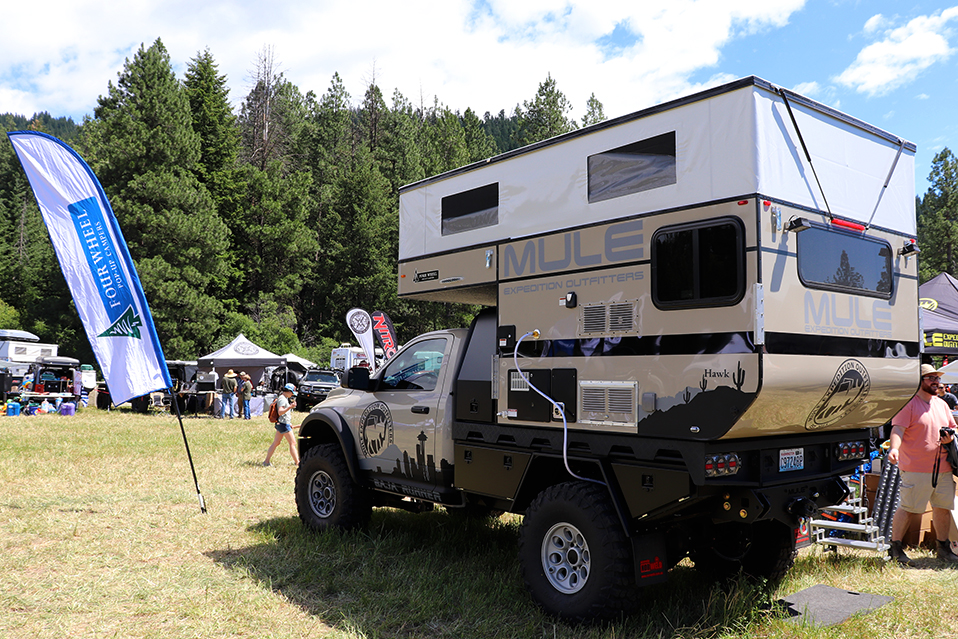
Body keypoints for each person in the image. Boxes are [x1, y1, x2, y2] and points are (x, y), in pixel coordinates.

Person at [887, 364, 958, 566]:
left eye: (937, 378)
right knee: (908, 508)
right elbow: (897, 430)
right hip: (916, 468)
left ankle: (943, 550)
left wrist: (949, 439)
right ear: (919, 381)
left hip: (943, 468)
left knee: (943, 509)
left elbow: (953, 429)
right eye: (930, 378)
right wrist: (894, 449)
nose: (936, 382)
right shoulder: (909, 404)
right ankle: (896, 549)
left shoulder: (942, 404)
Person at [264, 383, 300, 467]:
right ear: (288, 391)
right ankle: (297, 462)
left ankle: (266, 461)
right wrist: (290, 407)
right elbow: (280, 412)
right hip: (284, 424)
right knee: (293, 443)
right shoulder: (282, 399)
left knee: (276, 443)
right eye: (291, 393)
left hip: (281, 423)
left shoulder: (282, 398)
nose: (292, 395)